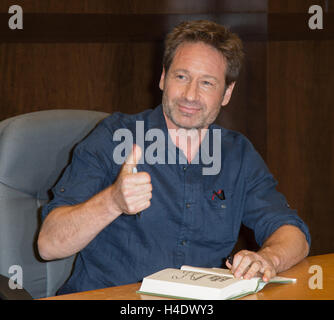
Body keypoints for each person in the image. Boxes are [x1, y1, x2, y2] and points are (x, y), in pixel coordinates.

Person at [38, 20, 310, 295]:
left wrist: (268, 259)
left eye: (207, 83)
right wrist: (113, 201)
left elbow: (292, 232)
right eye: (181, 77)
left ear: (227, 93)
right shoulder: (115, 137)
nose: (190, 95)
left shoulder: (237, 154)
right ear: (162, 78)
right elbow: (49, 244)